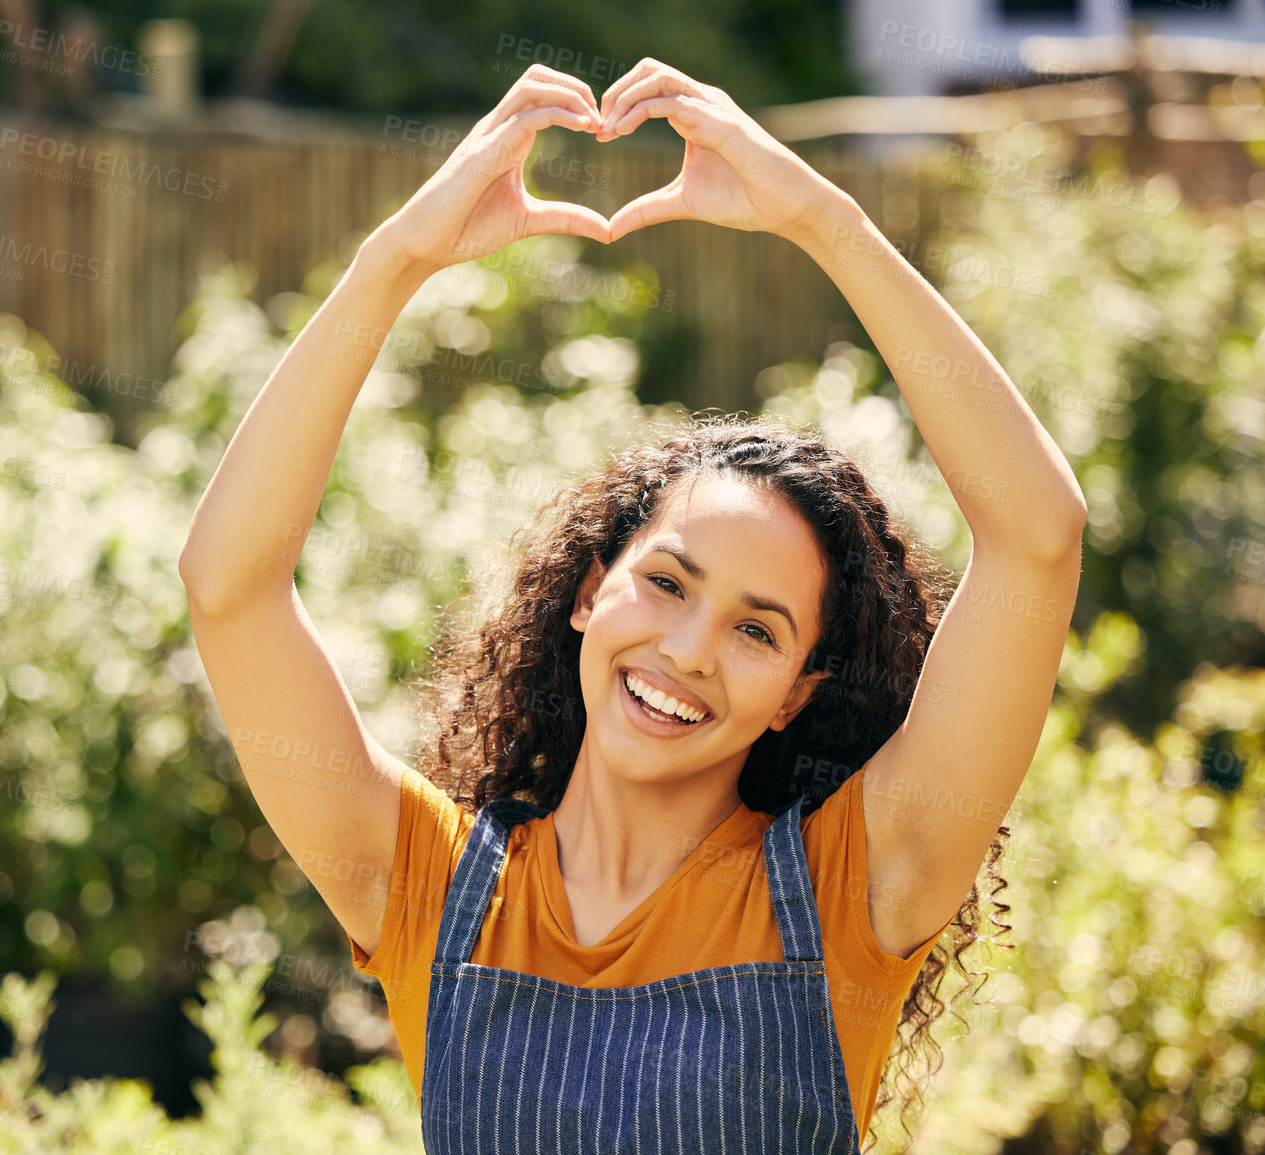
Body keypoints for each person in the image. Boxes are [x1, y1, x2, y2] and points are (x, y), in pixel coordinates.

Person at [177, 57, 1087, 1154]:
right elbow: (229, 589)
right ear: (586, 591)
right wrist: (394, 263)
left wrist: (823, 220)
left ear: (798, 696)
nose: (690, 648)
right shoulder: (427, 885)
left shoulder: (859, 889)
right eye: (666, 582)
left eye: (759, 629)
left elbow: (1036, 540)